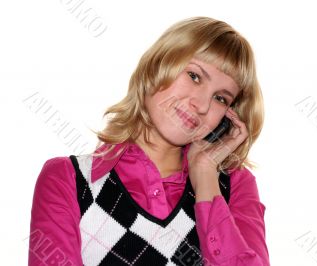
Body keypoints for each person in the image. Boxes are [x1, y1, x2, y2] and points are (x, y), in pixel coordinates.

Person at [28, 16, 270, 266]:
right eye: (195, 76)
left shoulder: (235, 187)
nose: (201, 105)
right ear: (157, 65)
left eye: (220, 98)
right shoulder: (68, 179)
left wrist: (205, 176)